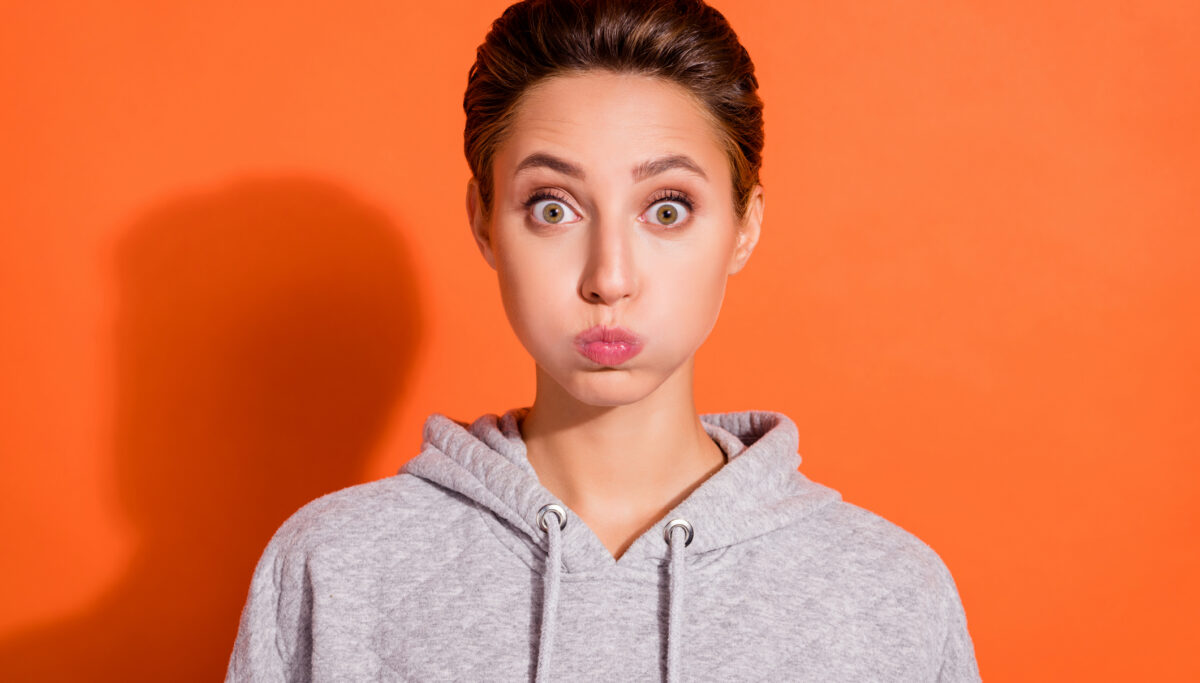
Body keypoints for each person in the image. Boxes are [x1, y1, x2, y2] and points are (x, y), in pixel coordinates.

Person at [225, 0, 981, 680]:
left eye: (667, 208)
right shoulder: (335, 570)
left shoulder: (889, 595)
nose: (609, 277)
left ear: (745, 224)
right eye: (554, 208)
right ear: (484, 220)